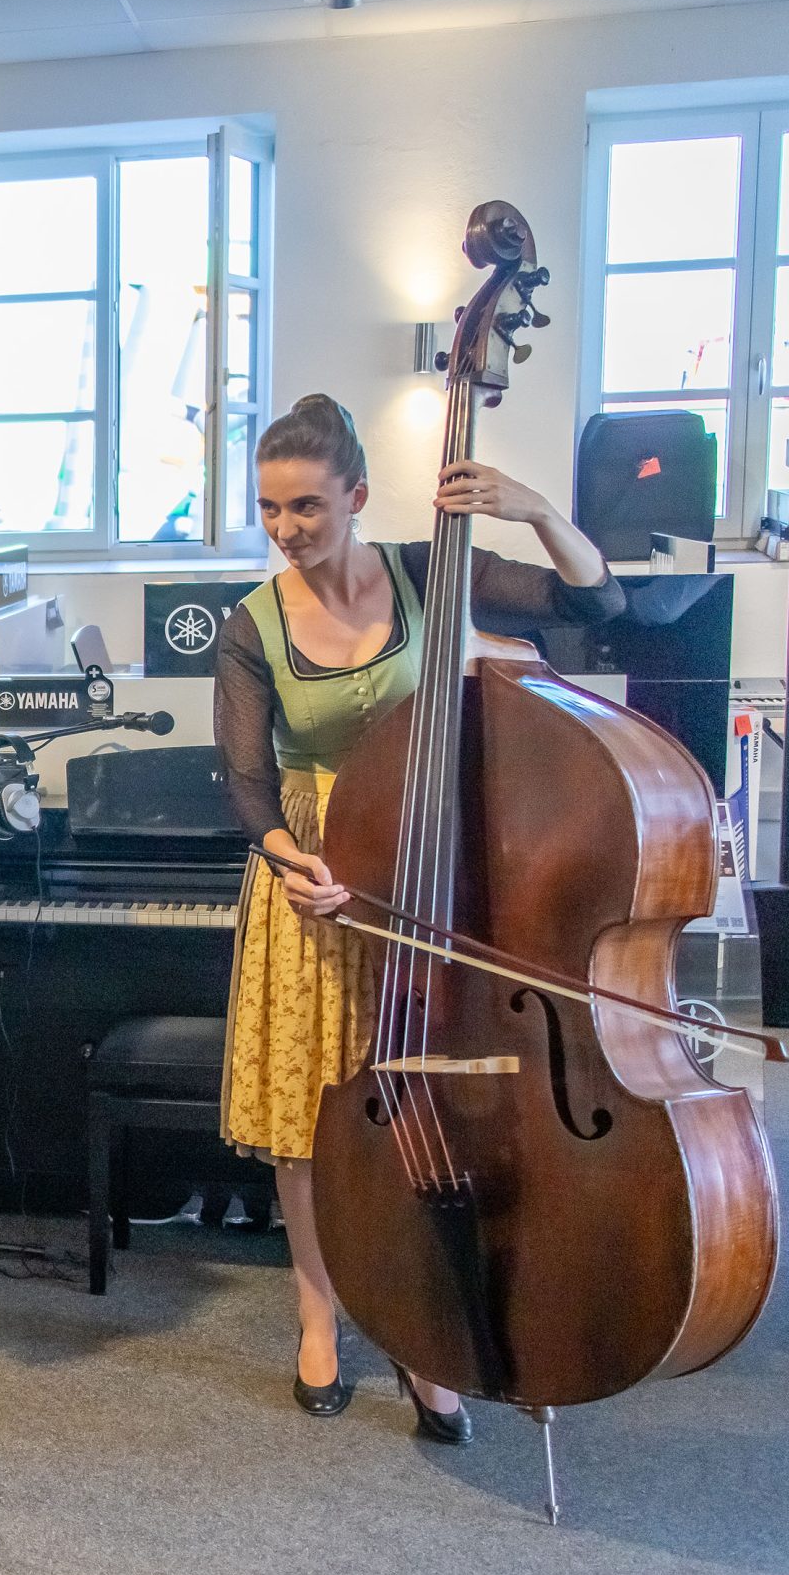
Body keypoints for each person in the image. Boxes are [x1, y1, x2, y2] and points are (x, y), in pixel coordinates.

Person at [212, 392, 624, 1443]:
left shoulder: (431, 569)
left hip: (430, 864)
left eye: (307, 506)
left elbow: (594, 604)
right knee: (310, 1117)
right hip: (314, 876)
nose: (287, 528)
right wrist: (290, 861)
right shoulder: (251, 626)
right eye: (270, 509)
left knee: (425, 1099)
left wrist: (536, 509)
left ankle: (420, 1328)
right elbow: (247, 781)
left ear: (356, 496)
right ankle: (317, 1314)